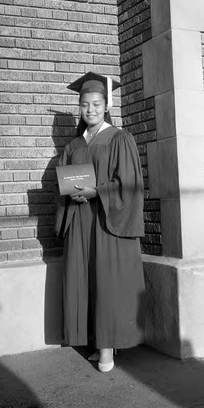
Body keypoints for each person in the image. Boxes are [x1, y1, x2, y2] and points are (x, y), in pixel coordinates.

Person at [55, 72, 145, 373]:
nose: (90, 110)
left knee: (106, 280)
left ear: (106, 106)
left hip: (108, 221)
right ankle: (95, 341)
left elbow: (129, 184)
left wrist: (97, 192)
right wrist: (71, 195)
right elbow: (66, 184)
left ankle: (107, 348)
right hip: (81, 221)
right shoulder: (73, 145)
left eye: (96, 104)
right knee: (87, 278)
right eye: (84, 104)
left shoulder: (120, 139)